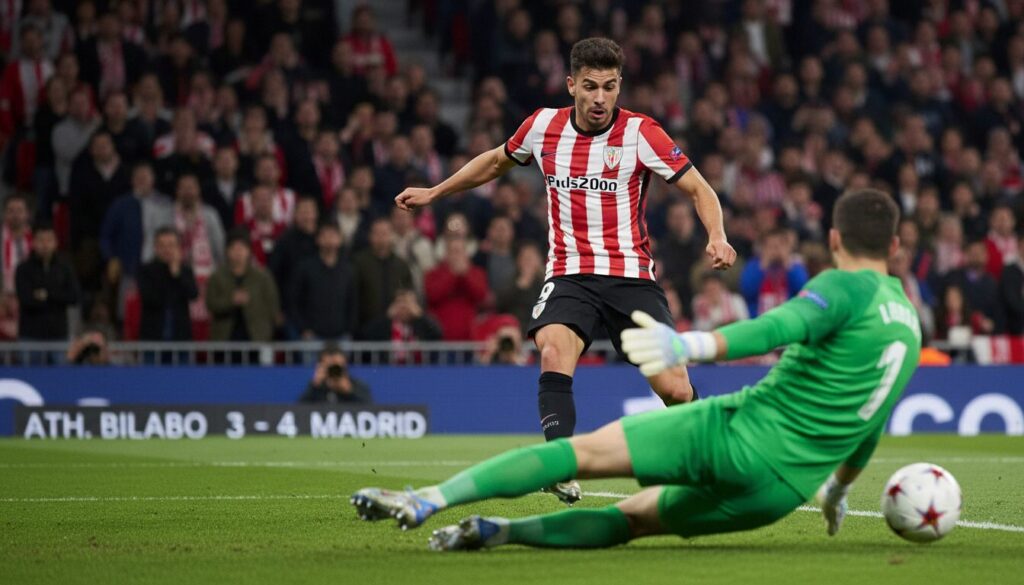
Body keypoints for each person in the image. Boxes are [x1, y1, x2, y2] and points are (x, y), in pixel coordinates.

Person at [352, 189, 921, 552]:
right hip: (778, 493)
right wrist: (838, 492)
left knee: (580, 455)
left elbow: (773, 330)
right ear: (896, 245)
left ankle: (428, 498)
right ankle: (500, 533)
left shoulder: (841, 285)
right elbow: (869, 428)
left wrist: (690, 343)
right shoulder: (910, 327)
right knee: (632, 523)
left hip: (733, 436)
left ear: (834, 239)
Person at [393, 38, 736, 503]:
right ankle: (561, 463)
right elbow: (496, 161)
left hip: (631, 277)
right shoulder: (543, 127)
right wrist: (435, 192)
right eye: (591, 86)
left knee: (674, 387)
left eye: (610, 87)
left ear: (620, 87)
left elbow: (698, 187)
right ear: (571, 83)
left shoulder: (642, 133)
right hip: (570, 272)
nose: (600, 98)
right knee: (553, 351)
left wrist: (716, 235)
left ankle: (706, 444)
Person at [205, 231, 280, 342]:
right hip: (225, 339)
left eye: (241, 248)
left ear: (249, 251)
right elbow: (211, 304)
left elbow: (273, 306)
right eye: (234, 248)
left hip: (256, 339)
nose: (238, 253)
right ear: (227, 251)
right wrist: (231, 301)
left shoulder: (262, 277)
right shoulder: (217, 277)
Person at [288, 220, 358, 340]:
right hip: (312, 336)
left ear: (340, 239)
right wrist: (303, 328)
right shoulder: (305, 268)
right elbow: (293, 301)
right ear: (318, 239)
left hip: (341, 336)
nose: (329, 239)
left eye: (333, 235)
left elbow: (353, 303)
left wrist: (349, 330)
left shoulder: (347, 270)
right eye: (325, 235)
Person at [15, 221, 78, 340]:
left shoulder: (65, 268)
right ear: (33, 242)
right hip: (30, 335)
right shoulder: (23, 269)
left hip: (58, 335)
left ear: (56, 243)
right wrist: (57, 297)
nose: (45, 245)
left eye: (49, 240)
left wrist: (47, 294)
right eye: (41, 240)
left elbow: (73, 297)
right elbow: (25, 299)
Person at [137, 227, 197, 341]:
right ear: (155, 248)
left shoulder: (185, 270)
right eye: (162, 245)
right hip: (152, 337)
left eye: (171, 245)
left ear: (178, 248)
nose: (166, 249)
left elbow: (193, 294)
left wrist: (177, 275)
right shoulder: (145, 270)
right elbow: (150, 298)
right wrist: (169, 275)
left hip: (181, 337)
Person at [300, 343, 372, 404]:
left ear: (345, 365)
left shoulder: (357, 385)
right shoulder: (315, 389)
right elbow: (299, 412)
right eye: (330, 367)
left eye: (337, 367)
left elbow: (371, 410)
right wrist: (315, 387)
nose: (334, 371)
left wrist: (350, 392)